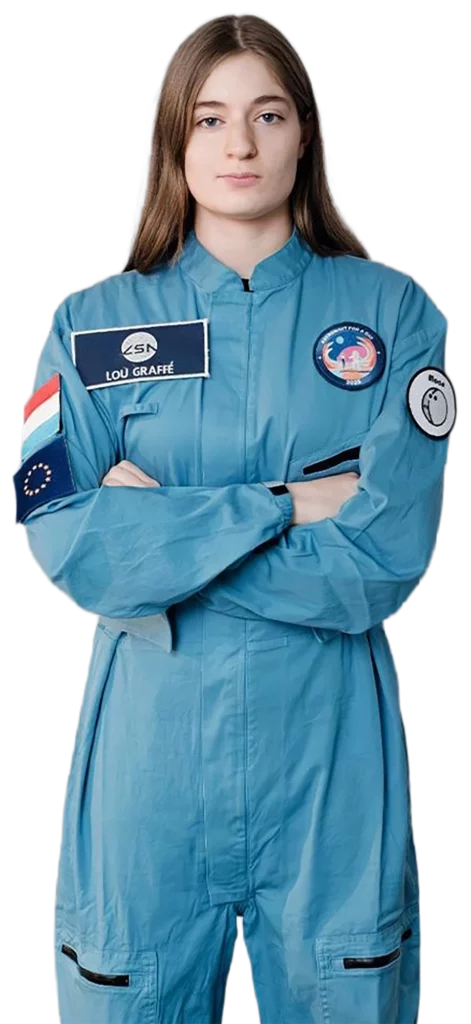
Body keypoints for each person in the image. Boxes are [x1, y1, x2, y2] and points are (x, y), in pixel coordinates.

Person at [13, 14, 455, 1024]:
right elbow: (74, 548)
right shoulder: (89, 327)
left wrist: (161, 530)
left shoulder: (395, 317)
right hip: (148, 770)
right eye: (210, 118)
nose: (240, 145)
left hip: (330, 765)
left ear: (305, 134)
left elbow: (383, 558)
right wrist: (285, 503)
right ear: (174, 139)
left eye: (268, 115)